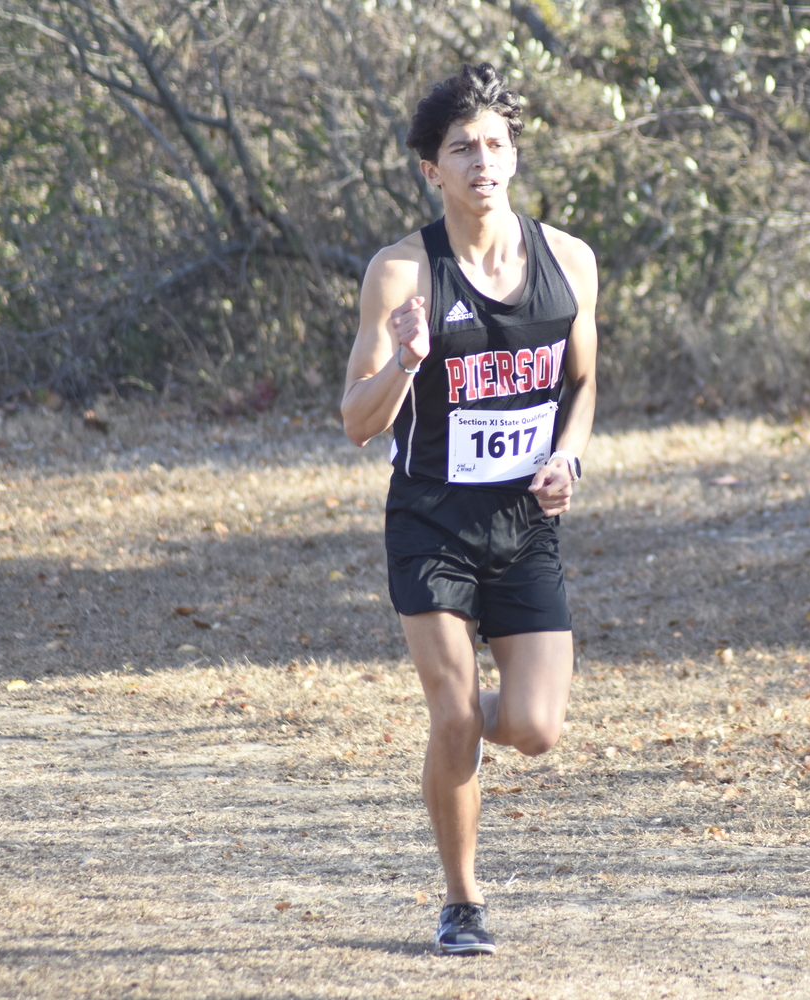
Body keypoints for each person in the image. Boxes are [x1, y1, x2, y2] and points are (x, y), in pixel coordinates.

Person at [340, 62, 597, 957]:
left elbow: (584, 384)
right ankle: (462, 902)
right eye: (462, 148)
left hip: (525, 526)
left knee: (532, 727)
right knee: (453, 716)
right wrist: (406, 361)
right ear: (430, 170)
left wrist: (568, 455)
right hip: (433, 521)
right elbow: (356, 423)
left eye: (496, 144)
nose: (482, 160)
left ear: (515, 157)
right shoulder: (402, 272)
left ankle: (452, 740)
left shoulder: (569, 261)